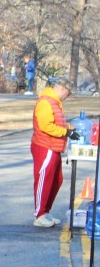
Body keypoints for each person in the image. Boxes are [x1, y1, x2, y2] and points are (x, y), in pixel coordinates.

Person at [31, 76, 78, 228]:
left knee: (56, 180)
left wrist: (70, 130)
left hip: (54, 147)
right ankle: (39, 215)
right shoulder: (45, 102)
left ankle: (45, 211)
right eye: (68, 93)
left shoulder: (55, 102)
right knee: (44, 179)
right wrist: (66, 132)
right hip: (45, 146)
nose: (68, 96)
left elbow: (57, 124)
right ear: (63, 89)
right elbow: (46, 126)